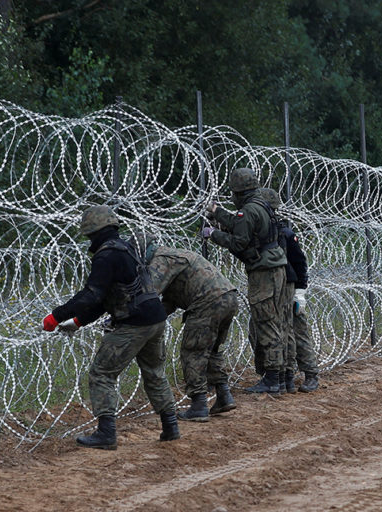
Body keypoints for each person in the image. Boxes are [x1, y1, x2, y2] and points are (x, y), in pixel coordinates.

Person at [42, 203, 179, 450]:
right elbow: (110, 298)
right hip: (155, 318)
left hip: (134, 323)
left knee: (102, 374)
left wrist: (56, 315)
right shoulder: (125, 249)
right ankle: (171, 425)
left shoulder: (106, 255)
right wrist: (77, 321)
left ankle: (106, 433)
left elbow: (92, 295)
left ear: (93, 232)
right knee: (154, 372)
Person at [203, 167, 288, 394]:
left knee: (266, 322)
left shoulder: (249, 210)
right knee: (275, 321)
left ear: (238, 192)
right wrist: (217, 212)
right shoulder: (260, 205)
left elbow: (239, 242)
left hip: (264, 273)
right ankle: (279, 377)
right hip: (275, 268)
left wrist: (213, 235)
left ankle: (272, 380)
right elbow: (240, 224)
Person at [134, 233, 238, 421]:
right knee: (212, 350)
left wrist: (128, 315)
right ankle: (224, 396)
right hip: (228, 297)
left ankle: (199, 404)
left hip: (207, 302)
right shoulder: (174, 255)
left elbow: (149, 293)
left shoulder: (160, 260)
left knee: (193, 352)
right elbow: (169, 302)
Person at [257, 188, 320, 394]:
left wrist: (300, 292)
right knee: (281, 333)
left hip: (290, 287)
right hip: (274, 288)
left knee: (298, 331)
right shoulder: (264, 231)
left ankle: (311, 375)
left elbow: (300, 262)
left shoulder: (284, 233)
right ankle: (286, 376)